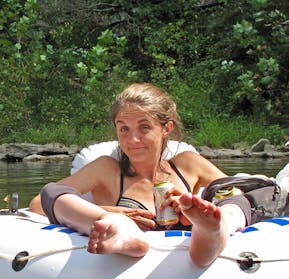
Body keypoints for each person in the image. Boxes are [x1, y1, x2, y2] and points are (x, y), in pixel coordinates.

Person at [29, 83, 251, 267]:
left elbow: (238, 193)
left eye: (144, 128)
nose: (132, 140)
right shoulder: (107, 169)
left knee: (237, 198)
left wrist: (190, 206)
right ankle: (118, 228)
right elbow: (39, 203)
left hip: (187, 253)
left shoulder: (188, 164)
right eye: (124, 129)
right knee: (52, 191)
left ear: (166, 128)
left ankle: (211, 234)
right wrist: (111, 212)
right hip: (121, 242)